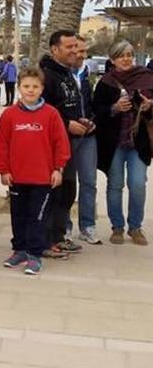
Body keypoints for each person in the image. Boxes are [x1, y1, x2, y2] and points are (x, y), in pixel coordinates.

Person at [0, 67, 71, 275]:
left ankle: (35, 255)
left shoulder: (51, 114)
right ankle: (19, 250)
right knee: (18, 215)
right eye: (26, 86)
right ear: (18, 88)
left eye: (35, 87)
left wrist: (58, 169)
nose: (30, 90)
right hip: (17, 177)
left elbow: (61, 145)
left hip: (43, 179)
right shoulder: (9, 115)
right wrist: (3, 170)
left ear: (42, 89)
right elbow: (0, 144)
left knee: (37, 218)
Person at [92, 41, 153, 246]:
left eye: (129, 54)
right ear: (112, 60)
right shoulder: (106, 83)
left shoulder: (147, 78)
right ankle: (117, 227)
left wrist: (149, 106)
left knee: (137, 184)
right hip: (114, 143)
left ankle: (135, 227)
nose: (126, 59)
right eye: (121, 55)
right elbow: (97, 112)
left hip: (138, 143)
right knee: (115, 185)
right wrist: (115, 108)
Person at [39, 30, 86, 257]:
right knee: (54, 192)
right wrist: (67, 123)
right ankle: (47, 241)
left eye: (76, 46)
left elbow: (67, 103)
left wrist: (81, 119)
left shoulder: (67, 73)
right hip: (52, 146)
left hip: (70, 144)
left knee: (68, 191)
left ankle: (58, 236)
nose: (75, 51)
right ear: (55, 50)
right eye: (69, 47)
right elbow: (44, 108)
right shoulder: (46, 75)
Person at [70, 36, 101, 244]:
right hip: (68, 136)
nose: (80, 54)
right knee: (67, 182)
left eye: (83, 51)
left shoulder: (86, 75)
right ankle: (64, 227)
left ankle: (87, 226)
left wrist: (93, 121)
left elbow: (91, 104)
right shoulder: (60, 75)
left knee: (89, 182)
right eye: (76, 50)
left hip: (88, 136)